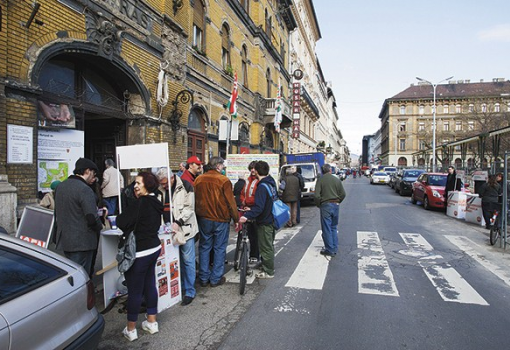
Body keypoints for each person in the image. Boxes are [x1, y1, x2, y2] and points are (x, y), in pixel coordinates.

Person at [117, 172, 163, 342]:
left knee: (135, 291)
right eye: (134, 183)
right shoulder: (156, 202)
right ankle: (151, 322)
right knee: (150, 283)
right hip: (154, 248)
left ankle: (131, 329)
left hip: (140, 252)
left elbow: (122, 222)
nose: (135, 186)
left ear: (147, 185)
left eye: (138, 183)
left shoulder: (140, 203)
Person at [54, 158, 103, 278]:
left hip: (65, 240)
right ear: (87, 171)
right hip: (83, 241)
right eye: (93, 173)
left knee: (71, 275)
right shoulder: (84, 189)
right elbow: (91, 217)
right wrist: (99, 227)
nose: (94, 176)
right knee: (82, 278)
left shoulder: (61, 186)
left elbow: (57, 212)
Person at [194, 157, 239, 287]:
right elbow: (231, 203)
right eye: (222, 166)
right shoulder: (223, 180)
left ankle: (203, 277)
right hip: (220, 218)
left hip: (204, 218)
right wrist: (236, 219)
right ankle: (215, 278)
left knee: (204, 247)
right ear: (218, 166)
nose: (223, 168)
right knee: (219, 248)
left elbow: (195, 199)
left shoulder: (198, 179)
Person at [238, 161, 277, 279]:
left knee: (265, 247)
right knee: (268, 244)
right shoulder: (271, 182)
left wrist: (247, 216)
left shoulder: (261, 186)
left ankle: (268, 271)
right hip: (271, 218)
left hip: (264, 220)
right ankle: (266, 264)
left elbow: (259, 207)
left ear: (258, 171)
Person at [168, 169, 198, 306]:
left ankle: (189, 291)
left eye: (165, 182)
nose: (163, 186)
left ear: (172, 178)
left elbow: (189, 208)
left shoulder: (186, 186)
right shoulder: (160, 187)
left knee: (188, 260)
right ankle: (177, 289)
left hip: (185, 229)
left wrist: (178, 222)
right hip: (168, 231)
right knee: (174, 260)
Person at [314, 164, 346, 257]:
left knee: (326, 227)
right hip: (336, 204)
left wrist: (319, 204)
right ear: (330, 171)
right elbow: (343, 193)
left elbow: (316, 196)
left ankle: (329, 249)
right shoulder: (336, 180)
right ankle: (334, 248)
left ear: (323, 171)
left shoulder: (321, 180)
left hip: (325, 205)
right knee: (333, 227)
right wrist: (338, 201)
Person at [240, 161, 260, 265]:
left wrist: (247, 202)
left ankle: (255, 255)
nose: (252, 170)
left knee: (256, 234)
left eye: (254, 168)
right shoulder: (248, 180)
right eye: (251, 168)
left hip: (254, 210)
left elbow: (257, 196)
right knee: (251, 234)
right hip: (247, 209)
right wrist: (243, 201)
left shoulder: (258, 181)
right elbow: (243, 193)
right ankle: (253, 255)